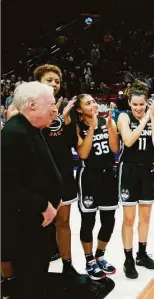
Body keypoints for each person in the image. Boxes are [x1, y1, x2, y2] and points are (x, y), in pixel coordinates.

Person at [1, 81, 62, 299]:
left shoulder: (31, 129)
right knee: (28, 280)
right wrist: (43, 204)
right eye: (51, 104)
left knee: (36, 277)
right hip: (25, 223)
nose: (54, 110)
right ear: (33, 105)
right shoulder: (14, 133)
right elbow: (7, 185)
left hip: (37, 222)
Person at [34, 64, 80, 278]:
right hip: (38, 177)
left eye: (57, 81)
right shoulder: (28, 109)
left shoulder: (65, 109)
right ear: (38, 83)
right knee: (39, 224)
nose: (54, 84)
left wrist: (68, 122)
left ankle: (68, 265)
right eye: (49, 80)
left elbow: (71, 143)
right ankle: (37, 267)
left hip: (63, 174)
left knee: (63, 222)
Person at [74, 94, 119, 280]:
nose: (92, 105)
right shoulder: (77, 127)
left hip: (108, 175)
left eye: (93, 101)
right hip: (89, 177)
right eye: (87, 103)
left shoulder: (108, 121)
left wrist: (109, 129)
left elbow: (115, 149)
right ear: (79, 109)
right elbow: (83, 153)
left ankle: (100, 255)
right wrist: (92, 129)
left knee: (109, 220)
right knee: (88, 220)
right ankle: (89, 260)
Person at [117, 89, 154, 279]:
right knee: (128, 219)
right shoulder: (124, 118)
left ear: (147, 103)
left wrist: (152, 118)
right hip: (129, 169)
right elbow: (128, 141)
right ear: (129, 104)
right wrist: (145, 120)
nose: (138, 108)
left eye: (141, 104)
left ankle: (141, 254)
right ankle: (128, 259)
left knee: (145, 217)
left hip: (147, 170)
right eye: (135, 104)